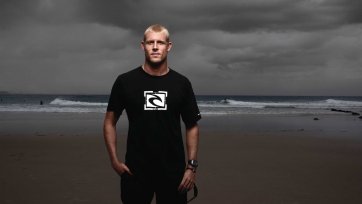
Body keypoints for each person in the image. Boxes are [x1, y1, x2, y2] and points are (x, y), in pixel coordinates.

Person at [103, 24, 201, 204]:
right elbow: (109, 122)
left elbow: (192, 125)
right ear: (143, 46)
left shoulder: (182, 83)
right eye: (150, 42)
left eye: (160, 43)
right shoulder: (125, 81)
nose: (155, 47)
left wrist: (191, 167)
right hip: (135, 171)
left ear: (169, 46)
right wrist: (114, 161)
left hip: (174, 173)